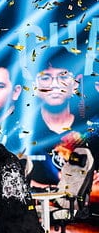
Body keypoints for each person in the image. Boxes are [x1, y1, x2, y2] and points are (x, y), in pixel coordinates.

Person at [26, 46, 84, 188]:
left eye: (63, 76)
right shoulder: (20, 134)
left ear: (75, 83)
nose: (55, 84)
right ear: (35, 86)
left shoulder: (91, 130)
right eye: (46, 78)